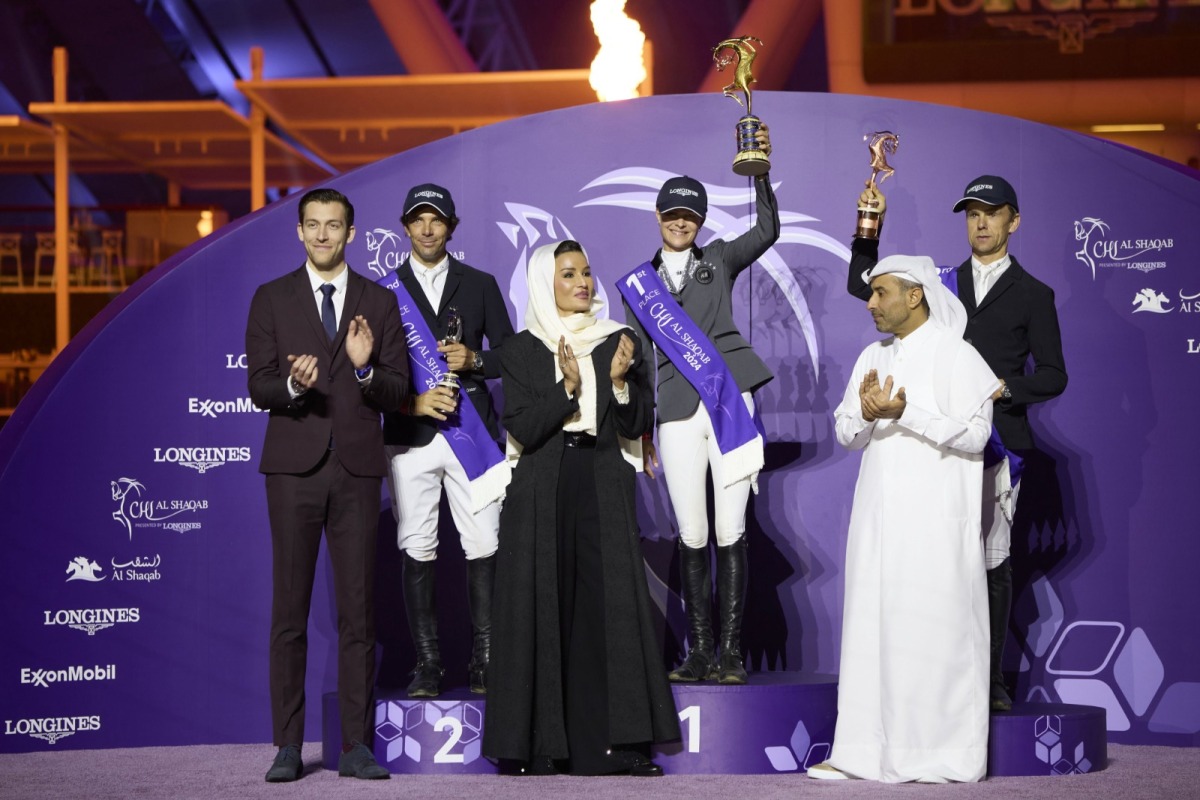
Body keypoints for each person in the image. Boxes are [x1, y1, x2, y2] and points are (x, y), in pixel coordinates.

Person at [847, 175, 1067, 711]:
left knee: (989, 559)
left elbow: (1054, 375)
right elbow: (865, 285)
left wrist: (1002, 388)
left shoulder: (1035, 294)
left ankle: (987, 681)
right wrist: (868, 228)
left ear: (1014, 221)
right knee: (932, 559)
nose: (981, 222)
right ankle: (928, 679)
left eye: (992, 213)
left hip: (997, 443)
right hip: (927, 438)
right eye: (972, 214)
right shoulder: (939, 283)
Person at [482, 240, 680, 776]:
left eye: (587, 273)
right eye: (568, 274)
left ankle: (617, 745)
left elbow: (637, 420)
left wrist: (617, 382)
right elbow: (523, 427)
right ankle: (538, 746)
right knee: (542, 603)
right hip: (541, 484)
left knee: (607, 607)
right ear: (544, 283)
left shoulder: (619, 339)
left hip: (602, 477)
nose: (583, 283)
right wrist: (566, 390)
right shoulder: (522, 349)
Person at [809, 254, 998, 783]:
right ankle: (862, 754)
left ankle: (937, 755)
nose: (870, 303)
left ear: (915, 296)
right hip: (878, 520)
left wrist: (906, 413)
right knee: (871, 630)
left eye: (880, 293)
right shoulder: (873, 355)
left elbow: (977, 436)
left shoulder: (958, 355)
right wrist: (868, 414)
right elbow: (846, 433)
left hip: (935, 526)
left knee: (931, 634)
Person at [246, 188, 409, 782]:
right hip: (293, 469)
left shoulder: (379, 301)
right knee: (289, 611)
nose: (321, 235)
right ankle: (288, 745)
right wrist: (293, 386)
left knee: (359, 614)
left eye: (333, 225)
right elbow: (259, 385)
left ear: (350, 233)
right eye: (312, 225)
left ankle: (355, 746)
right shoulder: (271, 298)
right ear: (299, 231)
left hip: (357, 470)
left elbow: (397, 390)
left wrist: (365, 369)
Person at [621, 127, 778, 685]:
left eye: (690, 215)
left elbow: (768, 229)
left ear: (702, 220)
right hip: (676, 413)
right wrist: (641, 433)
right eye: (672, 214)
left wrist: (759, 171)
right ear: (658, 216)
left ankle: (731, 653)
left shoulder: (721, 258)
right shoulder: (639, 285)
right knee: (691, 532)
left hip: (730, 397)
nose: (681, 222)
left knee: (730, 529)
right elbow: (639, 364)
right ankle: (699, 652)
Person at [381, 184, 514, 698]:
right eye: (418, 219)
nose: (427, 228)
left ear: (451, 227)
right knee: (417, 545)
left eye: (436, 219)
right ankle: (428, 665)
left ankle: (487, 660)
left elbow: (513, 355)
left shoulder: (479, 284)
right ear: (405, 227)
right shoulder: (383, 291)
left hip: (471, 431)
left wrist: (476, 359)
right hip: (411, 435)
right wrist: (410, 402)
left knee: (485, 543)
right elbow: (372, 372)